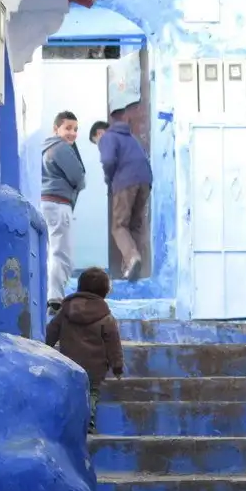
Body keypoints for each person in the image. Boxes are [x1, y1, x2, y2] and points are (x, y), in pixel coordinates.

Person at [45, 267, 124, 433]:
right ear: (105, 292)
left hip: (68, 363)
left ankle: (67, 421)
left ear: (79, 286)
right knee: (92, 393)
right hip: (94, 368)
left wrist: (44, 348)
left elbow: (52, 330)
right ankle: (90, 422)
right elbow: (113, 344)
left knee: (70, 390)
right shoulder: (106, 318)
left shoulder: (65, 311)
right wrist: (117, 367)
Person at [90, 117, 153, 281]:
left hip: (125, 182)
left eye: (96, 142)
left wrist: (108, 178)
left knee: (118, 226)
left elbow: (108, 160)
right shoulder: (130, 137)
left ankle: (132, 259)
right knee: (134, 226)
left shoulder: (107, 137)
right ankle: (133, 270)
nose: (98, 145)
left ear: (99, 133)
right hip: (145, 181)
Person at [42, 111, 88, 314]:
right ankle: (55, 299)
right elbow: (79, 178)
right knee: (61, 252)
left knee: (51, 251)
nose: (72, 133)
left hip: (46, 202)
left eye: (76, 129)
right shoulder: (60, 148)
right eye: (68, 128)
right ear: (56, 129)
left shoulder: (45, 148)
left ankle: (48, 295)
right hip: (59, 204)